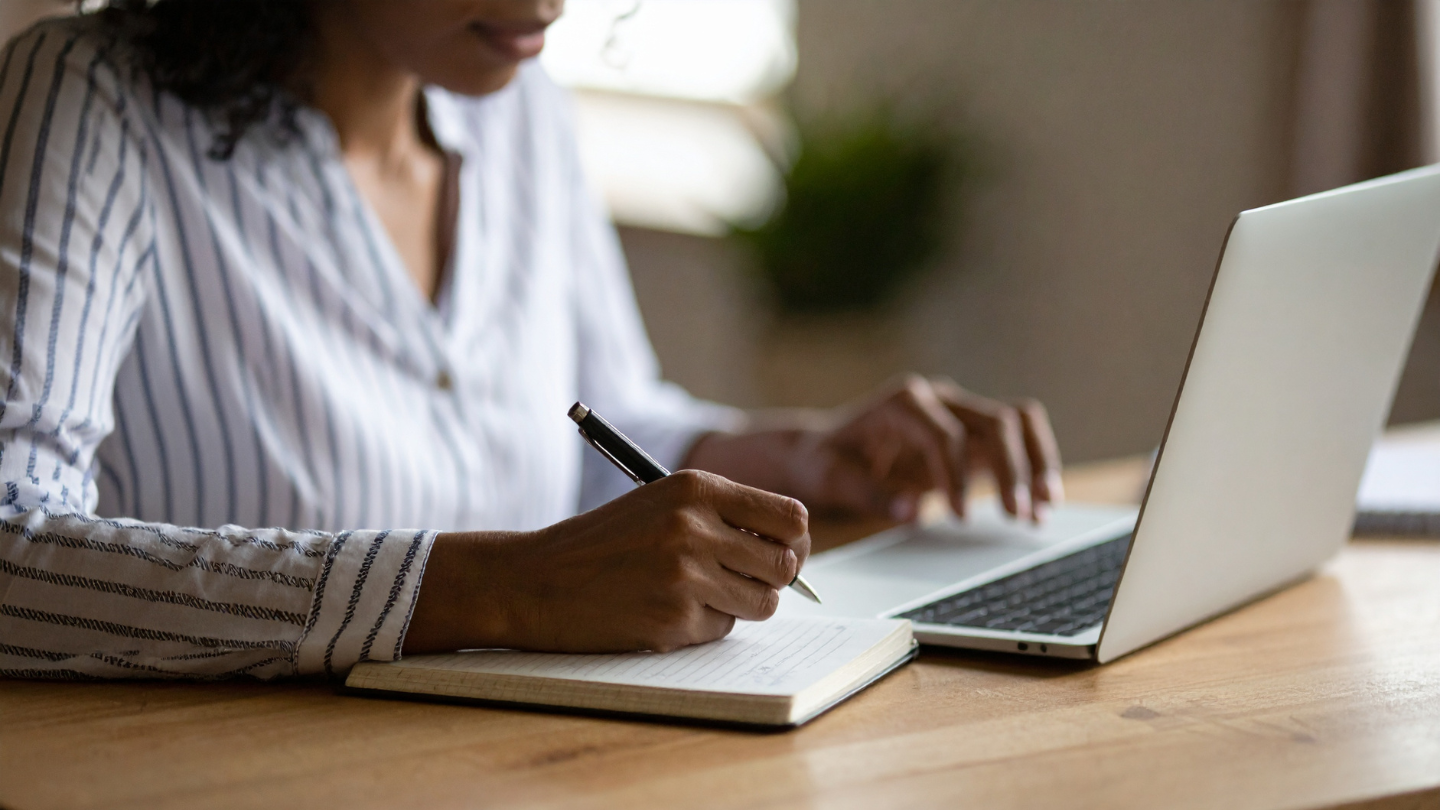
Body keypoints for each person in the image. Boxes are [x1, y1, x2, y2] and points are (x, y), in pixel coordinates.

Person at [0, 0, 1062, 680]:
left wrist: (804, 455)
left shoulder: (519, 107)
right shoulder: (94, 101)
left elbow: (606, 429)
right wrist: (506, 589)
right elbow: (11, 548)